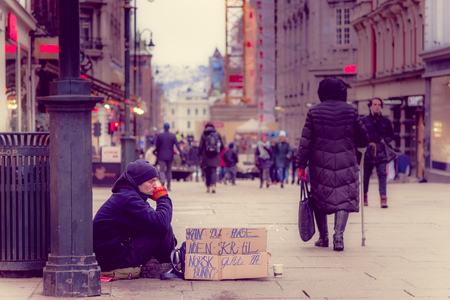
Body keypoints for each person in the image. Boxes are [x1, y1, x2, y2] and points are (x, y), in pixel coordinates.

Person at [296, 77, 369, 251]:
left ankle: (324, 237)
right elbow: (363, 138)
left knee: (320, 197)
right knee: (343, 197)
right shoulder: (351, 111)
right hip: (346, 160)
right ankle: (339, 237)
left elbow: (306, 141)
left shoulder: (314, 112)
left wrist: (301, 165)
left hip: (320, 162)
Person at [93, 159, 177, 277]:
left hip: (112, 255)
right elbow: (161, 222)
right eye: (151, 181)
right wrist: (163, 198)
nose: (155, 186)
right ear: (138, 182)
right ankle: (169, 264)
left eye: (155, 181)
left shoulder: (127, 195)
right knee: (163, 228)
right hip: (115, 260)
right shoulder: (129, 199)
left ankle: (158, 262)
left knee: (156, 225)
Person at [362, 97, 395, 208]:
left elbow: (391, 135)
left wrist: (386, 141)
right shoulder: (364, 120)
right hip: (368, 152)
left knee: (382, 174)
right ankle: (364, 196)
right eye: (375, 104)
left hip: (381, 151)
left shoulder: (386, 121)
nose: (377, 107)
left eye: (379, 105)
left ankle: (383, 198)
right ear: (370, 106)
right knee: (366, 175)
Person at [154, 122, 183, 191]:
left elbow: (157, 146)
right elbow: (177, 145)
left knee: (162, 170)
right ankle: (169, 185)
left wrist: (156, 152)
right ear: (169, 128)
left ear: (164, 127)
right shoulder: (172, 136)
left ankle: (163, 180)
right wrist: (181, 153)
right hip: (170, 155)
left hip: (161, 155)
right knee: (169, 170)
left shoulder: (160, 136)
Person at [198, 122, 224, 193]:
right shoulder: (217, 134)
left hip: (206, 156)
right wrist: (217, 152)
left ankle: (208, 186)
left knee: (207, 172)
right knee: (213, 171)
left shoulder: (204, 134)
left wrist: (201, 154)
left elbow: (200, 146)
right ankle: (214, 186)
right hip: (215, 156)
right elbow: (222, 146)